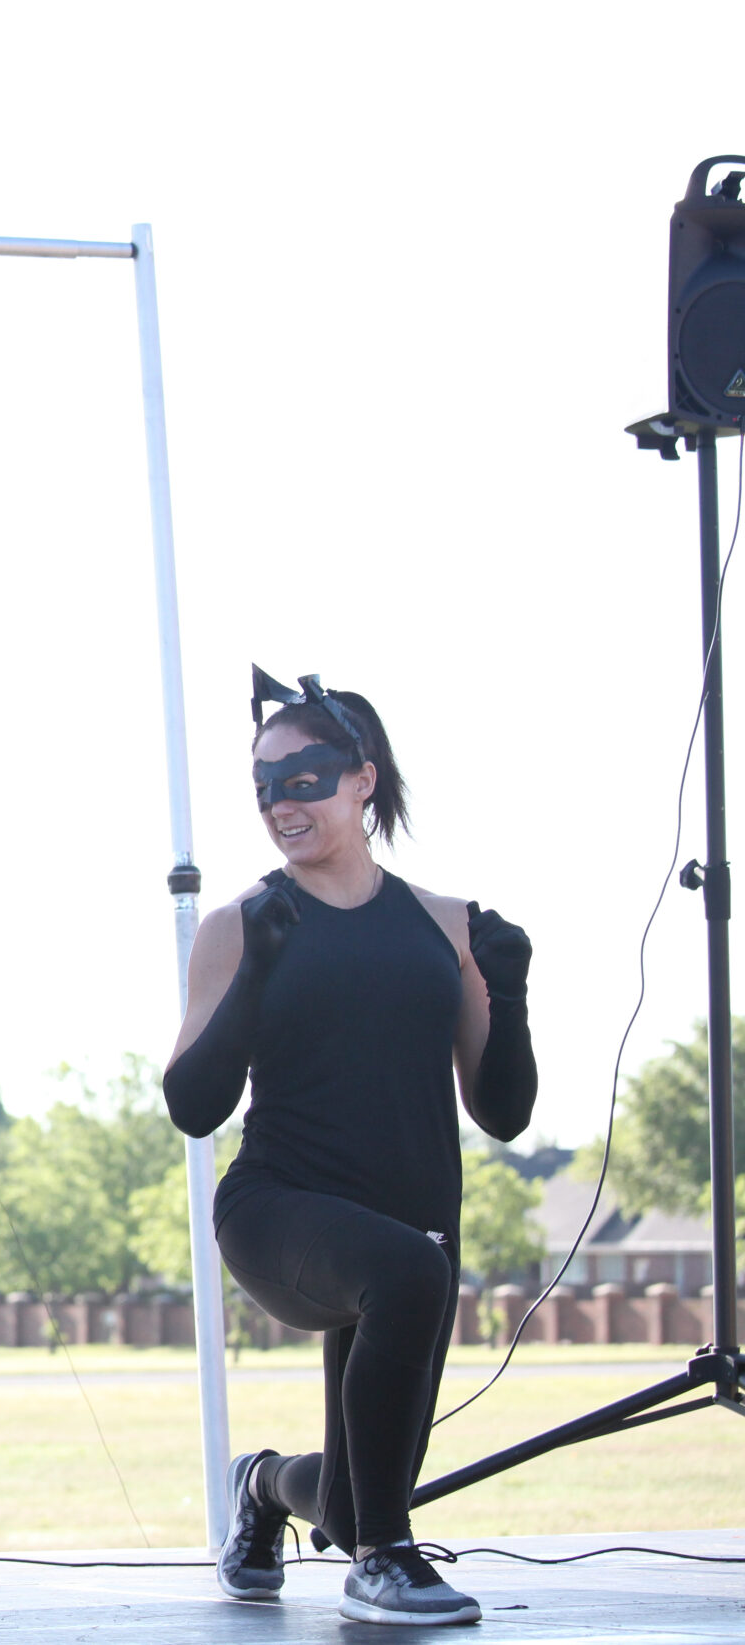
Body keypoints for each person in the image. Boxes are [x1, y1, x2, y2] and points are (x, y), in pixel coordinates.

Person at [164, 669, 537, 1627]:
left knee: (350, 1497)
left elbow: (502, 1113)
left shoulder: (444, 924)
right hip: (279, 1211)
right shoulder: (241, 923)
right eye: (264, 787)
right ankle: (384, 1564)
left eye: (304, 779)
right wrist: (256, 974)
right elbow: (193, 1106)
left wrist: (510, 993)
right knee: (406, 1286)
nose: (281, 804)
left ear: (363, 778)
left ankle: (263, 1486)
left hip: (412, 1224)